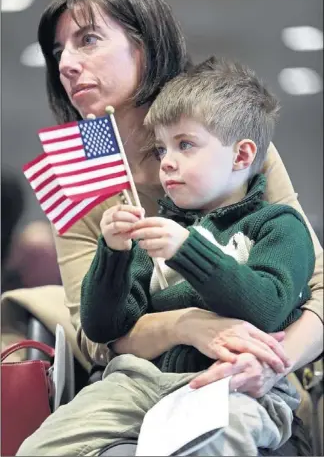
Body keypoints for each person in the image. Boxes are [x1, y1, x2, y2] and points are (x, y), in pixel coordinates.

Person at [14, 0, 323, 455]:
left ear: (145, 44)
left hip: (245, 382)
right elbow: (98, 337)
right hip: (132, 384)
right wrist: (188, 324)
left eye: (89, 40)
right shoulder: (80, 172)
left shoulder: (230, 139)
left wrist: (271, 364)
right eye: (59, 50)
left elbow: (314, 285)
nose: (66, 64)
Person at [78, 57, 315, 455]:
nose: (167, 161)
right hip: (141, 385)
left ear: (241, 156)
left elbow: (268, 307)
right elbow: (105, 327)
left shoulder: (279, 226)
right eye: (161, 148)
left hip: (239, 390)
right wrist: (114, 253)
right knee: (46, 442)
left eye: (185, 144)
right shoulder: (152, 234)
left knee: (216, 442)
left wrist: (189, 252)